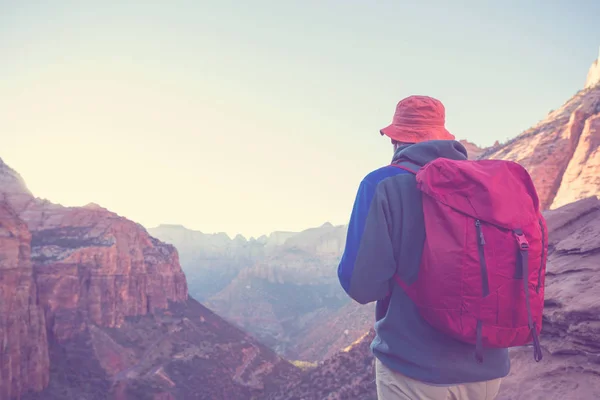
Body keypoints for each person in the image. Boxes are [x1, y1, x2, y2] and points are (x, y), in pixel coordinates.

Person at [337, 95, 509, 400]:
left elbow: (361, 286)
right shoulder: (484, 185)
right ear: (444, 137)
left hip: (417, 372)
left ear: (395, 138)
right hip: (487, 369)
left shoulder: (382, 184)